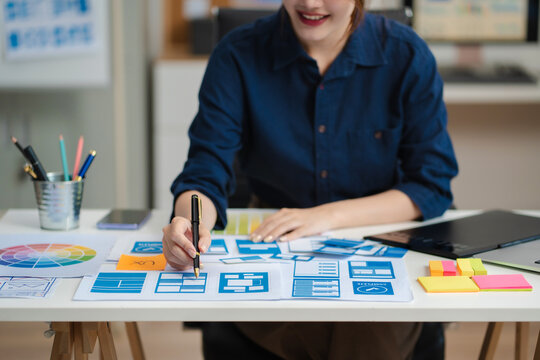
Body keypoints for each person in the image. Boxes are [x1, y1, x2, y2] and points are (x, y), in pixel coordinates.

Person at [162, 0, 458, 359]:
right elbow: (205, 171)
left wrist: (325, 216)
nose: (310, 3)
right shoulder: (236, 55)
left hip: (380, 236)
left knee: (364, 332)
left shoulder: (408, 55)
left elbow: (431, 184)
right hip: (275, 241)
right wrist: (188, 223)